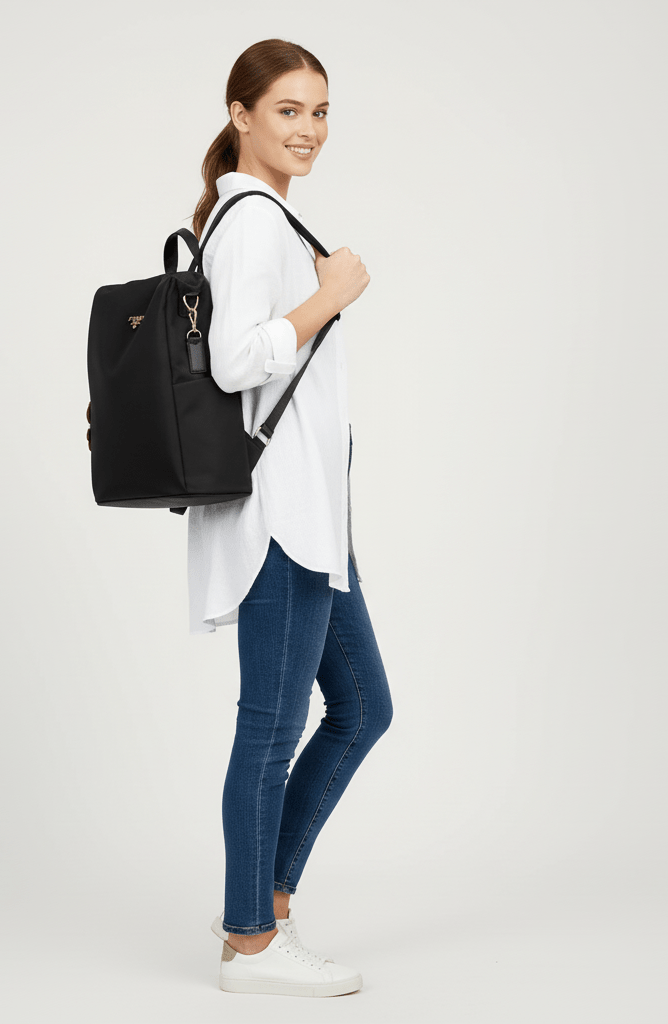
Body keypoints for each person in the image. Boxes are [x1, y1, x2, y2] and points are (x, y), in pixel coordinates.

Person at [189, 39, 394, 997]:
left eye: (319, 112)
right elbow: (237, 360)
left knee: (363, 708)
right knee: (270, 727)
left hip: (310, 516)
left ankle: (266, 904)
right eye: (287, 110)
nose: (308, 129)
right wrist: (330, 297)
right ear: (241, 115)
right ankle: (250, 944)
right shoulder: (252, 222)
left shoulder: (268, 217)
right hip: (279, 517)